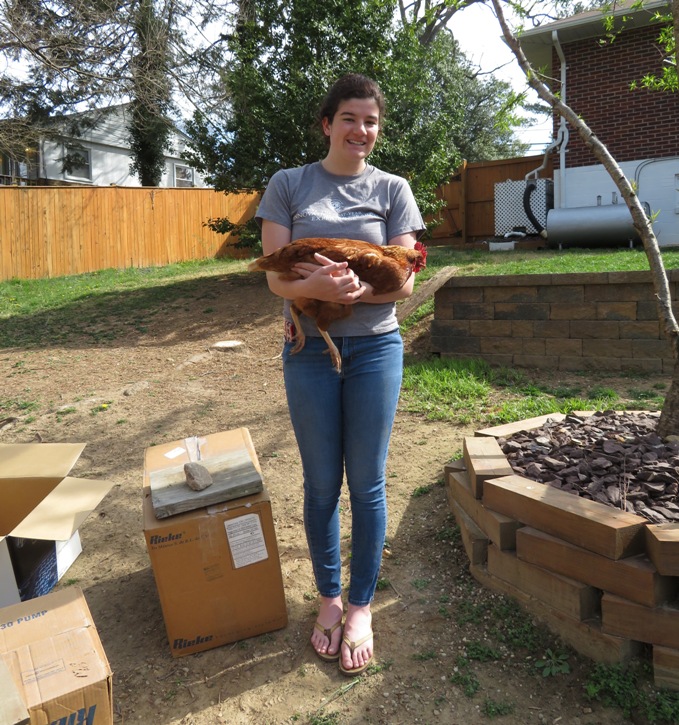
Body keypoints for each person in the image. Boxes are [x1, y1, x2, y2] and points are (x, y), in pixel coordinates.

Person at [255, 73, 425, 676]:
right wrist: (316, 286)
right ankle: (328, 596)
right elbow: (275, 276)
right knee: (321, 482)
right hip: (309, 349)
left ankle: (360, 606)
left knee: (369, 483)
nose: (362, 130)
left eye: (371, 121)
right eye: (350, 118)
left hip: (376, 351)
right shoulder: (289, 185)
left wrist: (357, 290)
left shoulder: (394, 190)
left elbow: (405, 281)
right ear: (328, 124)